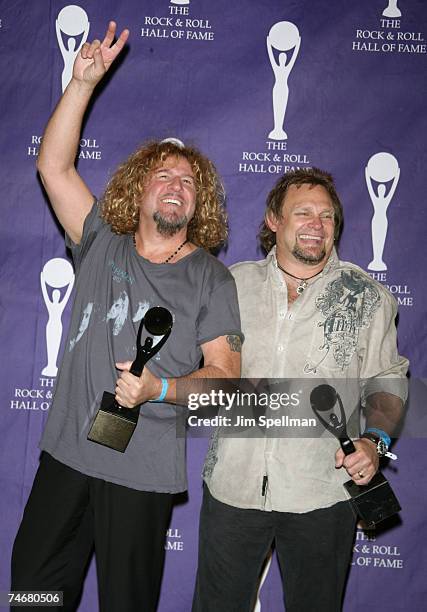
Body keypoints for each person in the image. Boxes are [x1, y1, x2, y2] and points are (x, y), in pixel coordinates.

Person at [11, 22, 242, 612]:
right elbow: (54, 168)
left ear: (200, 202)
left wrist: (159, 388)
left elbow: (225, 380)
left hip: (141, 475)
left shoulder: (212, 279)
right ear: (137, 191)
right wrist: (81, 84)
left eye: (189, 182)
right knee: (35, 589)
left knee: (127, 602)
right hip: (67, 457)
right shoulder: (100, 242)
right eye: (163, 175)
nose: (176, 186)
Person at [192, 168, 408, 612]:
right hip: (234, 487)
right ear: (274, 219)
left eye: (327, 216)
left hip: (321, 493)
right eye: (303, 212)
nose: (316, 224)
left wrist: (375, 440)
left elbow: (388, 382)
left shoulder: (369, 297)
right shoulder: (230, 285)